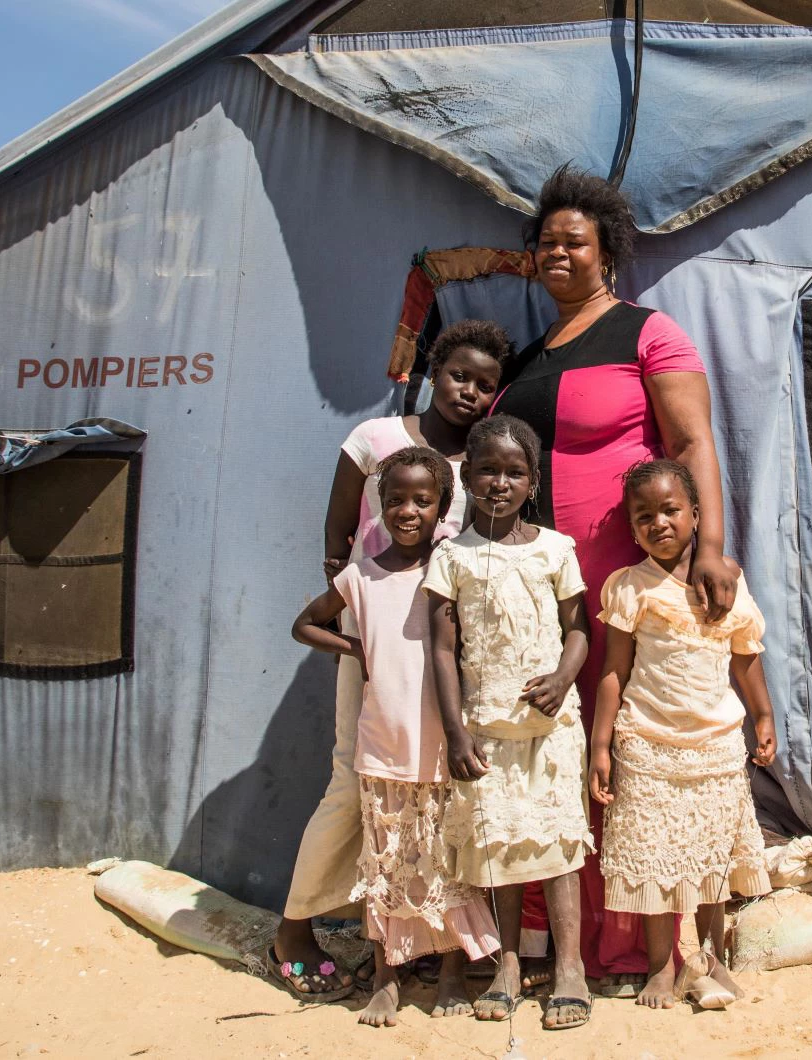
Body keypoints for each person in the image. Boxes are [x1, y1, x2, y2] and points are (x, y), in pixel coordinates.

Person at [493, 165, 739, 991]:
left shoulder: (648, 333)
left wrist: (709, 548)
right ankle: (547, 938)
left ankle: (635, 945)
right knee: (548, 747)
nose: (557, 252)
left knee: (622, 750)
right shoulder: (525, 357)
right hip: (536, 591)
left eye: (575, 241)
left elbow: (693, 441)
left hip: (620, 584)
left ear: (606, 255)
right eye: (545, 242)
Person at [271, 321, 509, 1001]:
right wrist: (353, 633)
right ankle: (292, 927)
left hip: (442, 646)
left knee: (436, 789)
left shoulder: (483, 461)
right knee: (353, 781)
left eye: (485, 385)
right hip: (374, 633)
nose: (469, 392)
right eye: (460, 375)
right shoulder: (375, 441)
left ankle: (428, 936)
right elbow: (337, 535)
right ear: (434, 369)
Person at [424, 415, 595, 1031]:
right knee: (497, 845)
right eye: (488, 470)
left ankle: (570, 967)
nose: (500, 482)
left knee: (556, 845)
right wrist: (455, 731)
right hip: (487, 726)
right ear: (466, 476)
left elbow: (580, 630)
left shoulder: (556, 549)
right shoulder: (452, 557)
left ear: (534, 482)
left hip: (550, 730)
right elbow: (442, 649)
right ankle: (505, 968)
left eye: (515, 472)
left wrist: (562, 677)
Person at [588, 460, 775, 1009]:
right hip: (647, 744)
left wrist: (763, 716)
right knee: (653, 863)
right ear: (632, 526)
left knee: (712, 864)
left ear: (696, 514)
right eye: (644, 516)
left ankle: (710, 961)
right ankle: (660, 966)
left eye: (671, 510)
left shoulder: (725, 585)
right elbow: (613, 671)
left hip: (714, 747)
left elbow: (746, 656)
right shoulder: (629, 588)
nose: (659, 523)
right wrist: (600, 746)